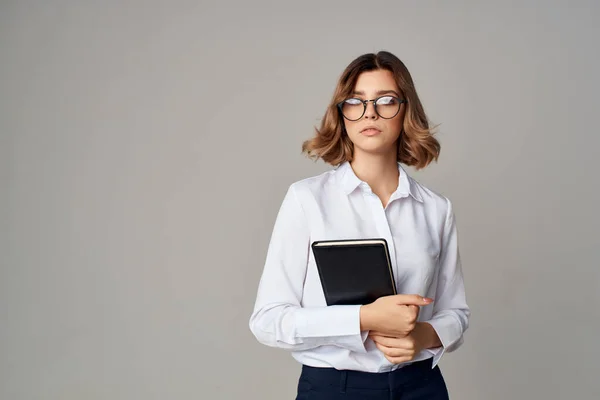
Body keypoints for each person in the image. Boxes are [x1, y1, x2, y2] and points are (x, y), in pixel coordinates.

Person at [249, 50, 470, 400]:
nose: (370, 113)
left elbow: (456, 312)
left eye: (385, 101)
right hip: (335, 388)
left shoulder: (435, 209)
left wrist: (423, 336)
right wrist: (364, 319)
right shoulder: (307, 199)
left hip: (421, 386)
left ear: (405, 110)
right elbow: (268, 321)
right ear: (342, 113)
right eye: (355, 101)